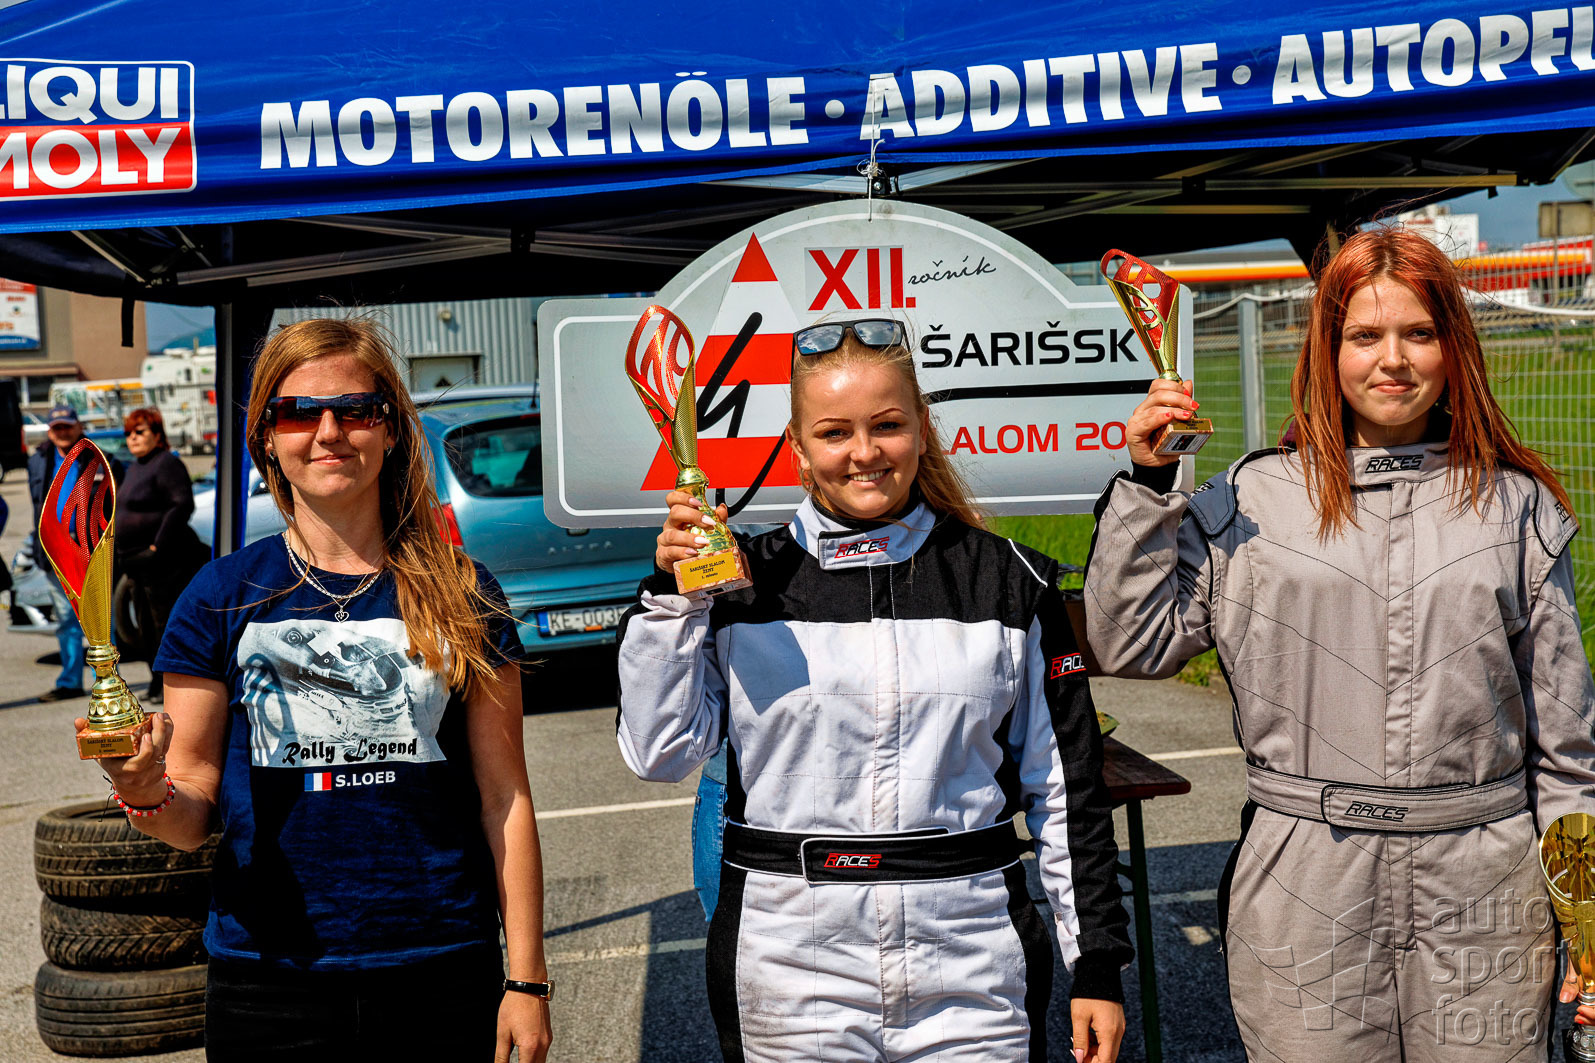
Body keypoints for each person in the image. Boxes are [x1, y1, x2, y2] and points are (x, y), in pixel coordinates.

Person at [1084, 226, 1595, 1061]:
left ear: (1453, 348)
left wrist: (1586, 922)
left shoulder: (1514, 508)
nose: (1392, 359)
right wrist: (1148, 484)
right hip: (1304, 876)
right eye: (1364, 335)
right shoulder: (1253, 499)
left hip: (1484, 886)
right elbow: (1130, 643)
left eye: (1418, 332)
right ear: (1326, 350)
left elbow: (1567, 755)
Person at [618, 318, 1132, 1062]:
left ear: (921, 429)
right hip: (790, 965)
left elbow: (1064, 788)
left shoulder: (1008, 580)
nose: (863, 452)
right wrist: (671, 597)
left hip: (972, 963)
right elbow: (659, 753)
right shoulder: (736, 585)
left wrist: (1097, 962)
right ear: (797, 447)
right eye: (834, 432)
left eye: (886, 425)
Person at [83, 318, 552, 1062]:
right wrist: (144, 791)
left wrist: (526, 979)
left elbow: (505, 798)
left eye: (356, 409)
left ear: (390, 429)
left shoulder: (463, 589)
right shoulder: (219, 596)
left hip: (442, 969)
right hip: (267, 981)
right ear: (267, 437)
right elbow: (191, 813)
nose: (329, 432)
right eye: (299, 412)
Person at [29, 404, 121, 702]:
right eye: (57, 428)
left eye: (68, 426)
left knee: (101, 621)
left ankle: (107, 681)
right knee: (67, 621)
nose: (63, 432)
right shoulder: (38, 460)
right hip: (56, 554)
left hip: (91, 552)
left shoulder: (97, 458)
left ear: (79, 427)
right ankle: (70, 682)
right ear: (49, 432)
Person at [115, 407, 207, 703]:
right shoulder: (136, 467)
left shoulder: (166, 463)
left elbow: (181, 505)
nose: (132, 438)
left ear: (157, 435)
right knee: (144, 627)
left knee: (164, 625)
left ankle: (171, 686)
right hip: (136, 564)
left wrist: (157, 546)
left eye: (139, 431)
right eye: (128, 433)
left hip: (165, 563)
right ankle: (156, 682)